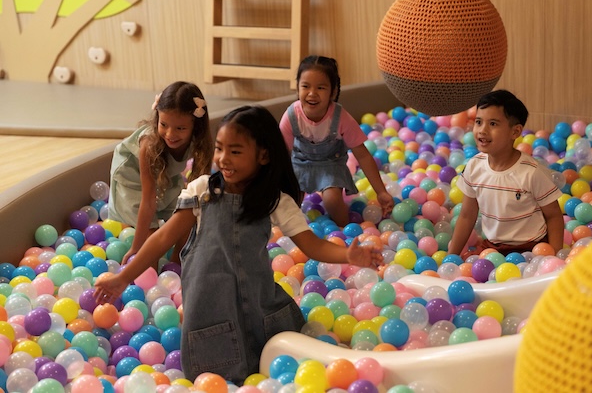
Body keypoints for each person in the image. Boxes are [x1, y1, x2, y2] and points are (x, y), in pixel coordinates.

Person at [95, 105, 383, 384]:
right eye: (219, 149)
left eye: (235, 151)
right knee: (213, 377)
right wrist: (123, 277)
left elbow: (312, 245)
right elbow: (163, 237)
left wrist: (348, 255)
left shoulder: (274, 200)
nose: (223, 159)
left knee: (271, 367)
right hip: (209, 309)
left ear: (263, 156)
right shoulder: (203, 191)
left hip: (257, 304)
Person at [279, 55, 394, 226]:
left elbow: (362, 155)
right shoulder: (291, 116)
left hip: (330, 165)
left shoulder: (341, 118)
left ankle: (342, 228)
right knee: (288, 203)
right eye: (305, 86)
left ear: (332, 92)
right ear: (297, 88)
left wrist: (381, 192)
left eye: (320, 88)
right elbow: (281, 155)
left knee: (332, 200)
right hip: (299, 163)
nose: (312, 93)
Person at [447, 90, 564, 258]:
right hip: (493, 248)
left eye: (493, 124)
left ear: (515, 132)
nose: (482, 130)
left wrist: (555, 257)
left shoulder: (531, 172)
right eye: (479, 122)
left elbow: (553, 216)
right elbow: (467, 216)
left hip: (531, 248)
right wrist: (451, 257)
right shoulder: (474, 166)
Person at [108, 81, 213, 264]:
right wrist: (136, 247)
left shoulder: (202, 143)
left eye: (180, 128)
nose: (170, 134)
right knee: (152, 240)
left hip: (165, 177)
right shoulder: (149, 144)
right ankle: (149, 277)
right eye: (163, 124)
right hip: (133, 180)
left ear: (195, 127)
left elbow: (198, 194)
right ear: (157, 117)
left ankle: (176, 265)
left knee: (187, 220)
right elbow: (148, 201)